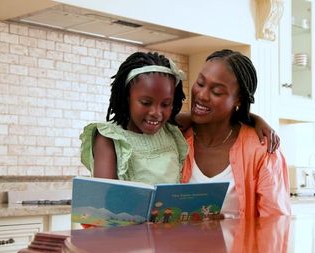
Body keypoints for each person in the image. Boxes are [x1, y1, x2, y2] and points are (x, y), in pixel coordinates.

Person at [80, 51, 278, 185]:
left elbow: (215, 115)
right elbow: (104, 205)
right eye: (146, 103)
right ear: (126, 97)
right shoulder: (109, 138)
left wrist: (254, 119)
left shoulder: (169, 128)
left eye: (166, 105)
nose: (156, 113)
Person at [180, 49, 291, 219]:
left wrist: (229, 223)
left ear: (238, 99)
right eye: (200, 83)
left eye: (216, 91)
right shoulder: (175, 139)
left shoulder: (263, 150)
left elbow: (275, 223)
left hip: (241, 246)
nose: (201, 95)